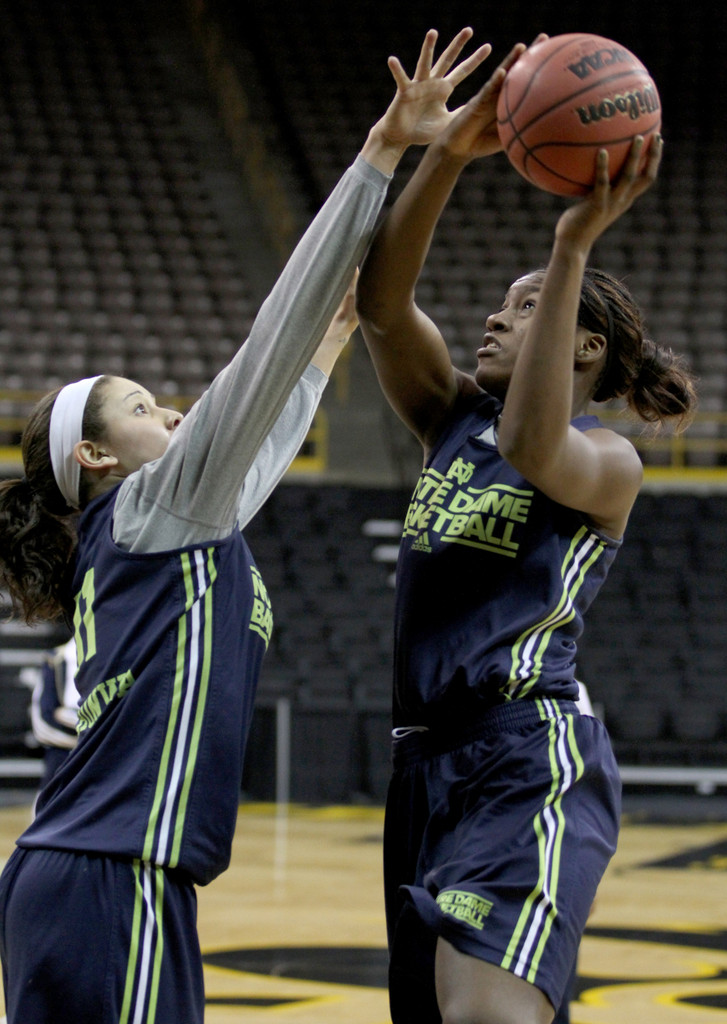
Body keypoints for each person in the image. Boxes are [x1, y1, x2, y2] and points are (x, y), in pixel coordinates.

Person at [0, 28, 494, 1023]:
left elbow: (264, 433)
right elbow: (263, 351)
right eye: (143, 407)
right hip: (111, 875)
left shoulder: (159, 529)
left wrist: (329, 346)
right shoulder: (152, 512)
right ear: (94, 457)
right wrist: (381, 152)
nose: (174, 412)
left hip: (91, 874)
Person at [355, 39, 697, 1024]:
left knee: (485, 1013)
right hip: (422, 765)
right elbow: (381, 306)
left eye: (527, 307)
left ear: (584, 344)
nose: (494, 322)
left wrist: (569, 249)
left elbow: (531, 442)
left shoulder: (605, 461)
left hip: (525, 754)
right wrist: (448, 154)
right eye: (502, 306)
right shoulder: (450, 420)